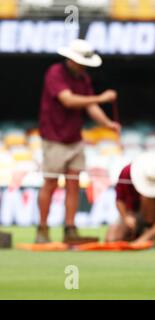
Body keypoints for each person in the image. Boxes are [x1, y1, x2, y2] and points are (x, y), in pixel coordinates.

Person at [36, 39, 121, 244]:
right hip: (54, 138)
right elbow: (68, 100)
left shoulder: (83, 78)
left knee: (73, 184)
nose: (84, 66)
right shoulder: (55, 73)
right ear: (72, 60)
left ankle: (70, 228)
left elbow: (90, 107)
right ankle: (42, 228)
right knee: (50, 183)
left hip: (75, 138)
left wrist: (107, 123)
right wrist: (101, 98)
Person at [105, 152, 155, 245]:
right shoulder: (126, 172)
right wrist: (126, 217)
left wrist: (144, 238)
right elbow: (119, 200)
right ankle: (135, 234)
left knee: (147, 199)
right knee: (111, 239)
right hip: (129, 213)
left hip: (151, 218)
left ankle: (147, 232)